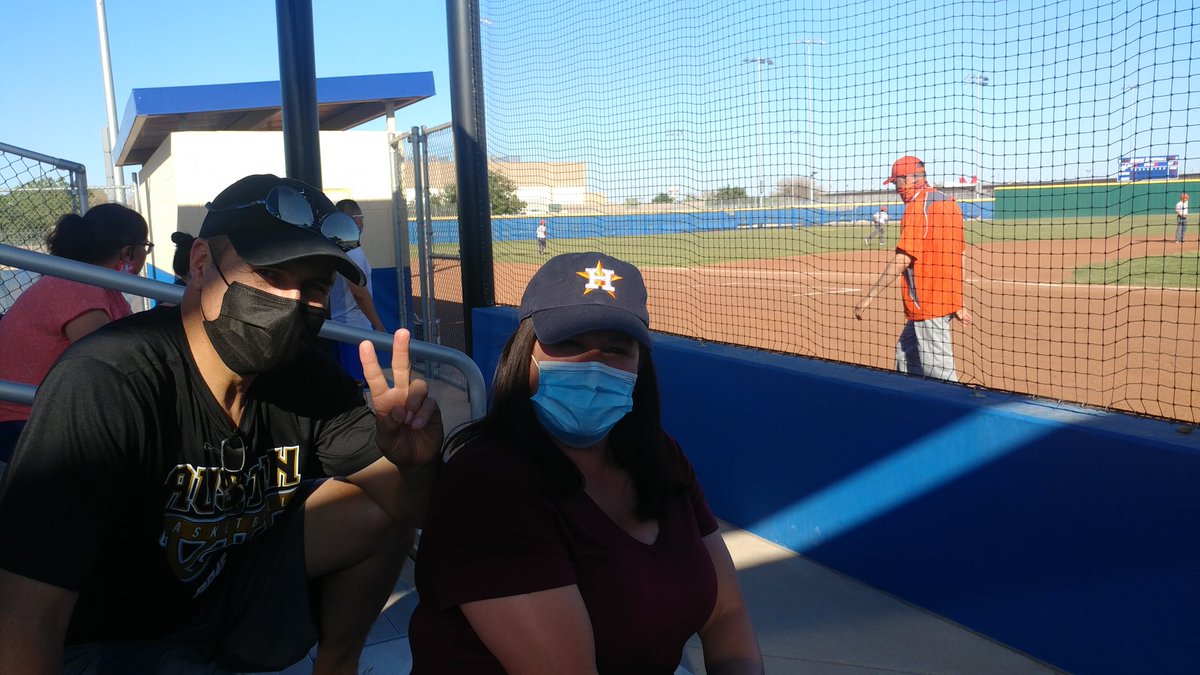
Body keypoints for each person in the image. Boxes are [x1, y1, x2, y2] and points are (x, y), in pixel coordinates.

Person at [0, 174, 443, 674]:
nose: (295, 301)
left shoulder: (303, 376)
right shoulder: (106, 381)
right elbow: (24, 621)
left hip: (223, 588)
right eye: (273, 275)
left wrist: (416, 465)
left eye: (316, 286)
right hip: (110, 638)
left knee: (376, 506)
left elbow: (412, 510)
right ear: (201, 263)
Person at [409, 252, 763, 674]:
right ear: (525, 353)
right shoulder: (486, 482)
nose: (594, 366)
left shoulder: (661, 457)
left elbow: (726, 617)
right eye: (569, 344)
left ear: (640, 366)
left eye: (616, 349)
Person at [0, 203, 150, 466]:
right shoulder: (78, 286)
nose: (146, 254)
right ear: (128, 253)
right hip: (20, 424)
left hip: (37, 415)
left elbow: (135, 338)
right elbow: (111, 363)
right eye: (145, 247)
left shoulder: (101, 286)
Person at [853, 156, 974, 382]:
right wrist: (958, 302)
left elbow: (903, 258)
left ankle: (952, 412)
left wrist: (869, 297)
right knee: (906, 353)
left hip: (928, 303)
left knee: (941, 377)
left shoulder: (917, 207)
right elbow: (960, 255)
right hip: (945, 301)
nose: (895, 189)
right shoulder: (949, 202)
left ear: (908, 179)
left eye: (896, 183)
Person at [328, 199, 386, 382]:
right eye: (360, 217)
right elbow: (359, 293)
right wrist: (379, 326)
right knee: (357, 384)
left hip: (344, 327)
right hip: (354, 329)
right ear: (354, 220)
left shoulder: (340, 250)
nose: (362, 222)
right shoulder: (351, 252)